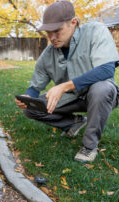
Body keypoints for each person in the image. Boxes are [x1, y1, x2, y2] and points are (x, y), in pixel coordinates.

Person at [15, 0, 119, 162]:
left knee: (101, 89)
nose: (52, 37)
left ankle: (89, 146)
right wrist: (28, 96)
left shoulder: (95, 31)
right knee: (31, 108)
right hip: (72, 98)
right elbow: (35, 87)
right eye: (49, 32)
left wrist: (65, 86)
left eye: (57, 31)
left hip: (100, 96)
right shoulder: (48, 54)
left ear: (73, 22)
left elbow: (107, 69)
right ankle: (73, 123)